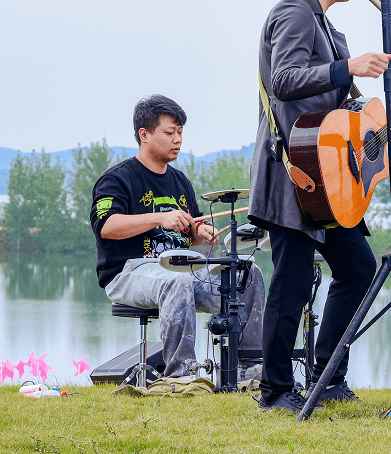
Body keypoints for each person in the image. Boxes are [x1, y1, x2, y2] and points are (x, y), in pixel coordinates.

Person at [249, 0, 391, 413]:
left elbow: (337, 109)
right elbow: (285, 79)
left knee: (357, 269)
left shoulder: (332, 29)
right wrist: (346, 68)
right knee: (290, 285)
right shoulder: (292, 11)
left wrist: (385, 120)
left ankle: (327, 376)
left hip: (330, 178)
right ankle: (274, 391)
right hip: (294, 172)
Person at [90, 95, 266, 380]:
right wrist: (159, 217)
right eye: (170, 133)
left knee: (247, 273)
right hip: (128, 272)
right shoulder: (118, 179)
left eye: (181, 132)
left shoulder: (180, 180)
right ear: (144, 135)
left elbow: (190, 231)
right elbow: (107, 226)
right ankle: (182, 375)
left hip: (182, 268)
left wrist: (200, 232)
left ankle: (250, 370)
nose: (178, 140)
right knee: (177, 278)